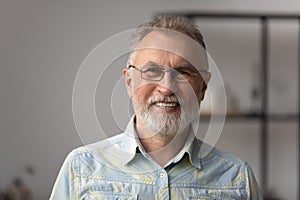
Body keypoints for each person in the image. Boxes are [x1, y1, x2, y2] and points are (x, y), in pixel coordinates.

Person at [50, 15, 263, 199]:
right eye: (152, 71)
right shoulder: (81, 168)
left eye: (183, 72)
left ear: (202, 88)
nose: (167, 88)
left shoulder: (237, 177)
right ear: (129, 82)